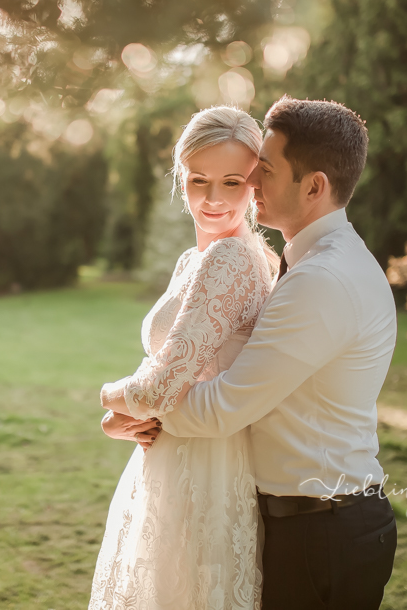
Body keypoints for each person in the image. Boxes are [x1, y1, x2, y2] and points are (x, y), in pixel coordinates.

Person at [156, 96, 399, 609]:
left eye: (264, 169)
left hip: (322, 532)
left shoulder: (321, 280)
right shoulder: (312, 261)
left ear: (313, 186)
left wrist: (138, 407)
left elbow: (223, 407)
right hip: (314, 522)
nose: (251, 182)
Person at [89, 105, 279, 610]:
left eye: (233, 182)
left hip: (205, 463)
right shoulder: (196, 259)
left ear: (255, 184)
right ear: (181, 177)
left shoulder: (231, 257)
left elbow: (157, 389)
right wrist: (122, 420)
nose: (213, 199)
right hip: (174, 454)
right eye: (199, 180)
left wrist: (107, 399)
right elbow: (171, 361)